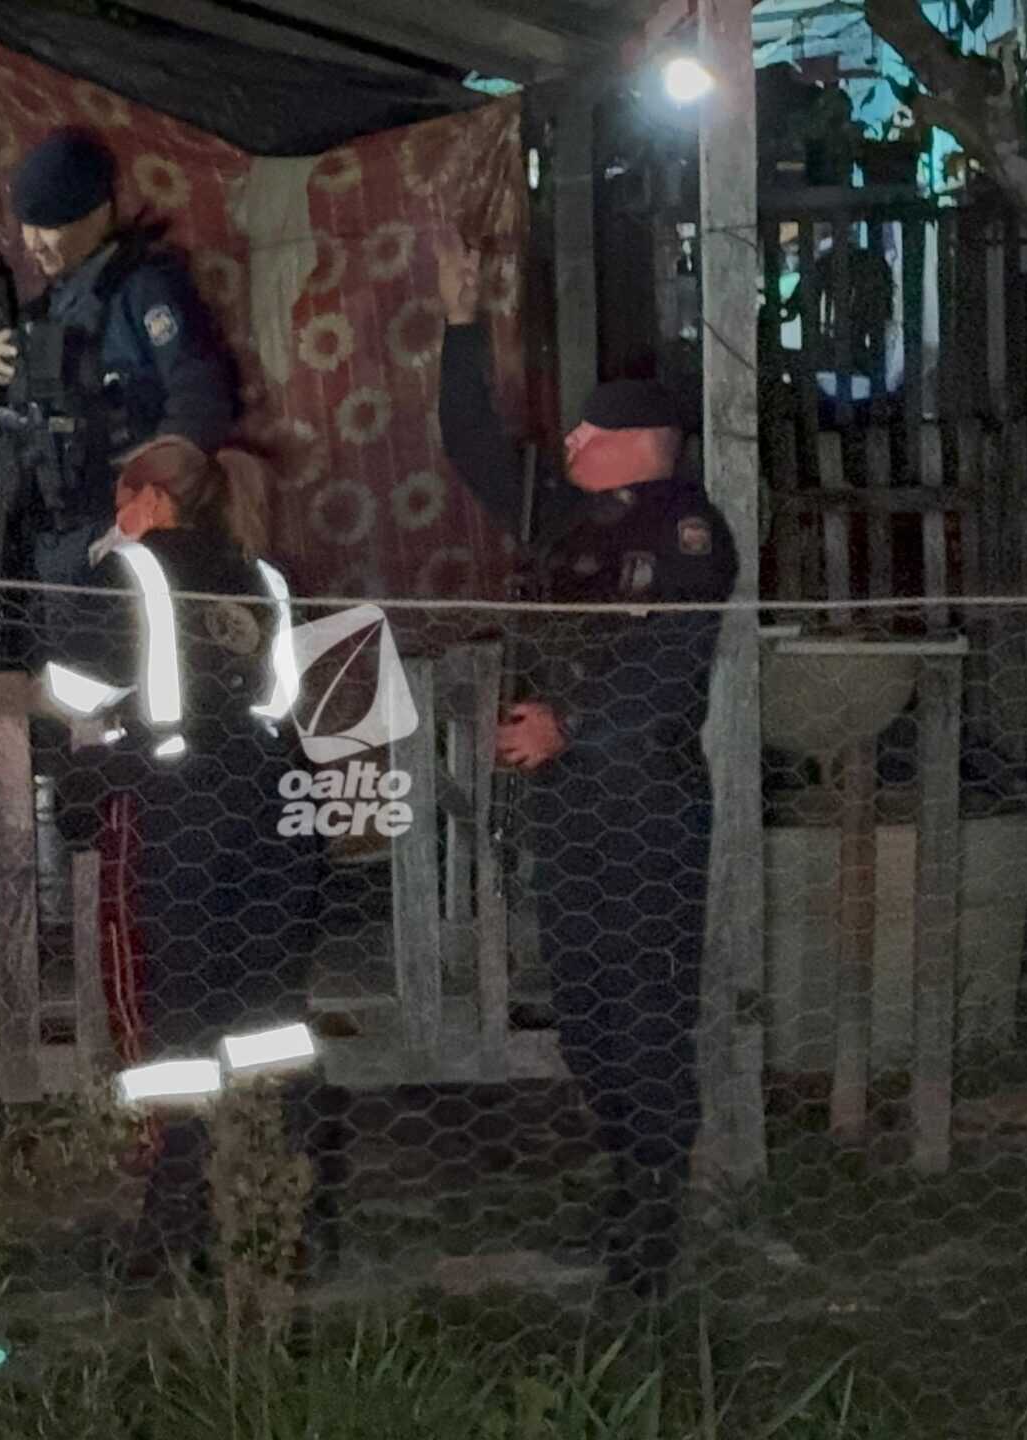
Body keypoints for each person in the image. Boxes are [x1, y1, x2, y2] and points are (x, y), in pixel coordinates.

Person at [431, 238, 737, 1300]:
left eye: (589, 432)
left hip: (644, 798)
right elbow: (473, 444)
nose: (568, 441)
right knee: (587, 1010)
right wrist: (461, 323)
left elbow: (667, 665)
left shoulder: (689, 533)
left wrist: (571, 725)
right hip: (568, 806)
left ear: (639, 446)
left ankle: (653, 1213)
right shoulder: (561, 515)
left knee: (646, 1007)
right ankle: (624, 1179)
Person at [31, 436, 336, 1286]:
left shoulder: (128, 572)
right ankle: (283, 1208)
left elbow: (77, 693)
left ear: (152, 499)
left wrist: (84, 751)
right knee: (270, 1020)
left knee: (180, 1022)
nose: (116, 520)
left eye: (122, 501)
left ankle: (173, 1225)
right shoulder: (265, 578)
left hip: (183, 805)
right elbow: (284, 697)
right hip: (273, 804)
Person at [0, 128, 241, 612]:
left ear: (97, 213)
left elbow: (200, 397)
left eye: (49, 227)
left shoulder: (145, 290)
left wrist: (154, 501)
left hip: (135, 538)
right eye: (27, 226)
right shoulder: (51, 306)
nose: (32, 244)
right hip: (61, 543)